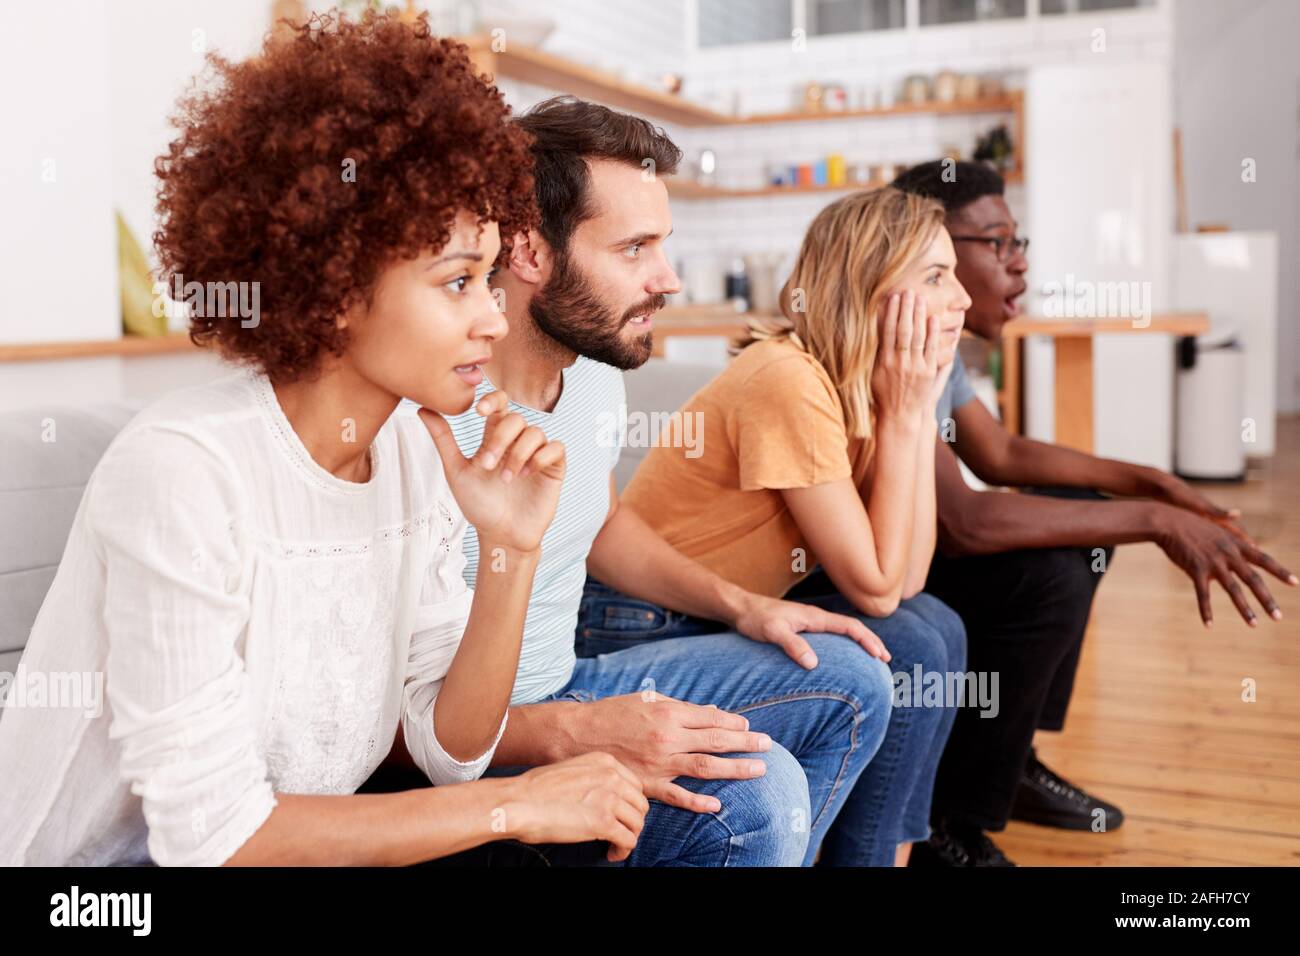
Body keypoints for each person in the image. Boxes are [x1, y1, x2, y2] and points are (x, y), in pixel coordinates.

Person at [0, 13, 648, 867]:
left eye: (491, 279)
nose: (494, 319)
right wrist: (517, 805)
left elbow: (452, 753)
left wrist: (510, 550)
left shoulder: (415, 454)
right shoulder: (184, 470)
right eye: (457, 282)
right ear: (336, 285)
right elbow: (214, 839)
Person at [427, 97, 908, 866]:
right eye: (635, 248)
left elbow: (603, 523)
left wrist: (744, 608)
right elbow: (398, 723)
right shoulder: (433, 421)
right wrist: (578, 731)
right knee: (759, 794)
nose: (669, 278)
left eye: (665, 245)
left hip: (567, 678)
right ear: (527, 251)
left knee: (853, 676)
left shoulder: (592, 375)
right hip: (470, 738)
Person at [890, 159, 1297, 866]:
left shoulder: (941, 334)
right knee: (1051, 572)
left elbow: (1000, 453)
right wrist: (1154, 520)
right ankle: (947, 827)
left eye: (1019, 243)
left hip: (898, 551)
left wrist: (1151, 482)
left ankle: (1012, 759)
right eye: (998, 244)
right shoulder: (894, 332)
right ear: (929, 247)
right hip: (838, 573)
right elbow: (964, 524)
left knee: (1078, 512)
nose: (1018, 266)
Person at [616, 186, 972, 866]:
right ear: (867, 288)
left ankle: (885, 855)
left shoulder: (860, 386)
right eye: (936, 277)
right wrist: (906, 417)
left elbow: (908, 578)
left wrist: (917, 410)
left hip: (715, 614)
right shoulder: (789, 379)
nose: (962, 300)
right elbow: (876, 592)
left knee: (938, 627)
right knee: (907, 645)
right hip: (647, 616)